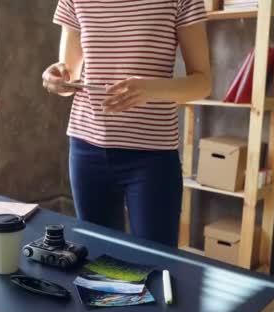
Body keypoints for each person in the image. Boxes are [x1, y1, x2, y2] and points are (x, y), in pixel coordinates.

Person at [42, 0, 212, 247]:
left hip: (152, 157)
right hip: (86, 149)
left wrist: (150, 90)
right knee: (99, 260)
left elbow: (203, 82)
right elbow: (70, 75)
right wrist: (56, 79)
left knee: (155, 263)